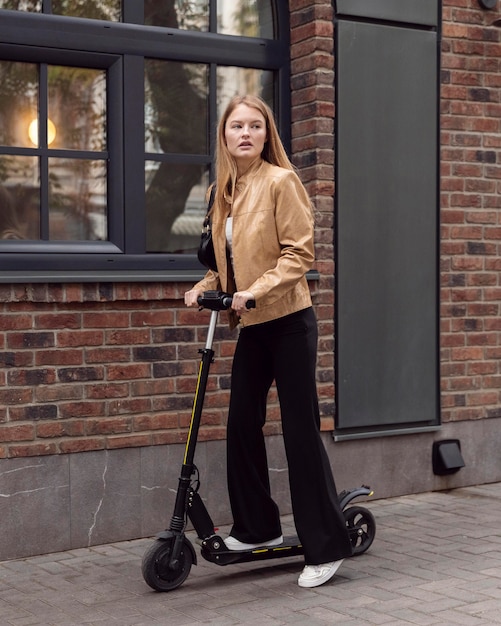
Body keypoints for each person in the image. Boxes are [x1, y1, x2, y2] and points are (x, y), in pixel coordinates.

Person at [184, 94, 353, 588]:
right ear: (224, 135)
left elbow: (298, 255)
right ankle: (256, 527)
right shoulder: (223, 190)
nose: (245, 133)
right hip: (252, 323)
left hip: (289, 320)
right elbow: (225, 264)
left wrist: (252, 293)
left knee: (299, 431)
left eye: (255, 126)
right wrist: (202, 289)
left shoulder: (283, 181)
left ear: (266, 135)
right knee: (241, 424)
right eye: (236, 125)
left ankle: (325, 546)